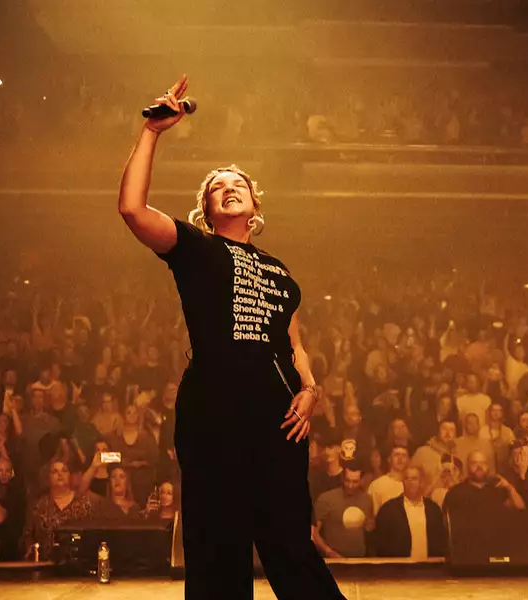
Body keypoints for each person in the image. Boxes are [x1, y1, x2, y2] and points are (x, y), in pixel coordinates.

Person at [118, 74, 345, 599]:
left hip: (279, 418)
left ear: (255, 207)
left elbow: (294, 343)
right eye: (217, 186)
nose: (229, 186)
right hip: (215, 412)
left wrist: (310, 390)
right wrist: (152, 132)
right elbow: (132, 209)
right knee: (218, 545)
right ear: (207, 208)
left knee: (290, 542)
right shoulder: (196, 249)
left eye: (237, 183)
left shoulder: (280, 270)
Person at [22, 460, 98, 560]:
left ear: (70, 476)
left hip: (79, 566)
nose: (60, 474)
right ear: (48, 478)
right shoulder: (38, 506)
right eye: (55, 471)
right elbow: (28, 536)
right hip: (45, 565)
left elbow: (93, 536)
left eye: (64, 471)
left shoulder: (84, 503)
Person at [374, 466, 447, 558]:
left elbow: (441, 542)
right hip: (399, 569)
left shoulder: (433, 510)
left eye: (414, 479)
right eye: (406, 478)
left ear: (422, 483)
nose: (410, 482)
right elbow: (381, 544)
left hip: (429, 568)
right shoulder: (388, 510)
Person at [312, 461, 373, 558]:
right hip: (333, 560)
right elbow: (313, 533)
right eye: (347, 480)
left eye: (355, 482)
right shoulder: (326, 499)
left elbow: (368, 528)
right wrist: (330, 552)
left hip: (360, 559)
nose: (350, 485)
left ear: (361, 480)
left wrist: (369, 525)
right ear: (342, 479)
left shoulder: (367, 499)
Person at [366, 445, 409, 515]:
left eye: (404, 456)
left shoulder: (412, 485)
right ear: (389, 459)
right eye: (396, 455)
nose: (400, 458)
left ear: (408, 460)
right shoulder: (377, 485)